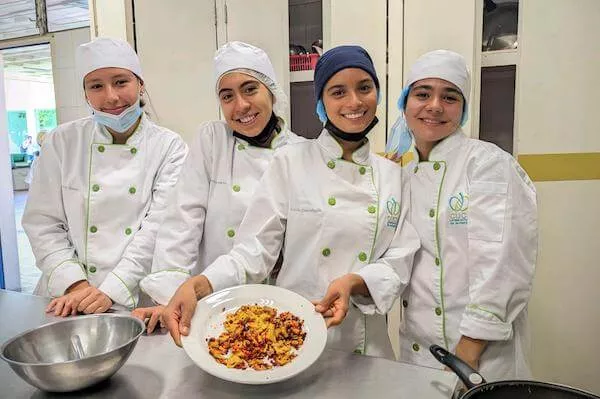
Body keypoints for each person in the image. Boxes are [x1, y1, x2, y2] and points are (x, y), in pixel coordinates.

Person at [160, 45, 420, 360]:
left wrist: (356, 281)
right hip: (295, 336)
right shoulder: (290, 162)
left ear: (377, 95)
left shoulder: (394, 176)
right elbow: (253, 251)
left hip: (369, 343)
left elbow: (399, 259)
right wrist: (198, 285)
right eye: (338, 91)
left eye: (364, 88)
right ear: (321, 103)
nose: (354, 101)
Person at [386, 50, 537, 380]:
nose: (435, 106)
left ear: (463, 109)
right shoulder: (403, 178)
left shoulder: (488, 165)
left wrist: (467, 353)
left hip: (481, 358)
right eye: (422, 94)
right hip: (418, 356)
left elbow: (504, 264)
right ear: (404, 103)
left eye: (449, 97)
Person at [131, 41, 303, 331]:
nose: (241, 106)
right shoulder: (212, 141)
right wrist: (169, 295)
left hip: (276, 302)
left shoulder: (299, 152)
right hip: (211, 300)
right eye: (227, 96)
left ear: (271, 91)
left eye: (250, 89)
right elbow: (183, 220)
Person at [22, 37, 187, 315]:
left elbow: (158, 229)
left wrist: (112, 289)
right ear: (85, 93)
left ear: (141, 84)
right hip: (68, 297)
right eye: (96, 86)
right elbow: (42, 223)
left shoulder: (169, 146)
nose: (110, 97)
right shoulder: (62, 141)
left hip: (133, 296)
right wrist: (74, 284)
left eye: (121, 82)